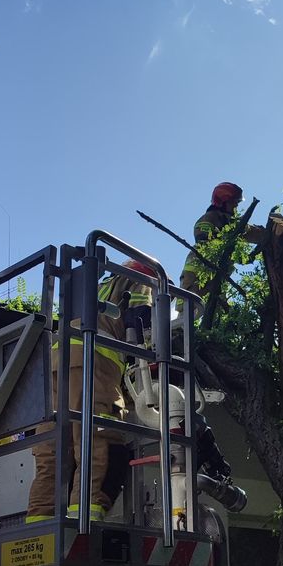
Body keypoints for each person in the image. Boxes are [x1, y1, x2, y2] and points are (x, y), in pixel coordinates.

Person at [26, 260, 155, 524]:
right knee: (96, 441)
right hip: (92, 365)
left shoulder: (95, 288)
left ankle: (39, 524)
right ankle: (87, 521)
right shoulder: (141, 280)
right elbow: (139, 323)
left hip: (54, 367)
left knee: (52, 449)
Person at [179, 181, 243, 300]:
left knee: (218, 307)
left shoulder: (229, 221)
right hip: (196, 273)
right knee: (189, 304)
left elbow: (249, 232)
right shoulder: (209, 218)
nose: (236, 206)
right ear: (223, 202)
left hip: (214, 275)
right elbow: (204, 240)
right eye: (234, 202)